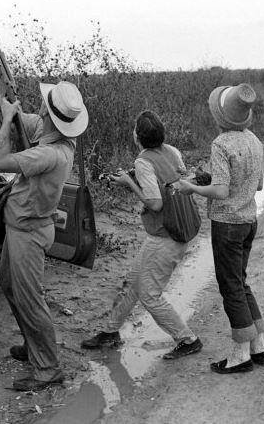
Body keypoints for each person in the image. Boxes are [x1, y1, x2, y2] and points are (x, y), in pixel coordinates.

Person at [0, 53, 88, 390]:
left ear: (48, 111)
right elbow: (17, 110)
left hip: (29, 232)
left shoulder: (49, 153)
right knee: (9, 286)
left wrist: (5, 121)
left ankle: (47, 367)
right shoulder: (50, 134)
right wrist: (2, 76)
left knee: (31, 299)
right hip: (24, 228)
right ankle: (34, 348)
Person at [81, 111, 203, 360]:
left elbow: (155, 204)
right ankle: (110, 331)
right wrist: (140, 176)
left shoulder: (143, 161)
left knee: (148, 295)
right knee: (134, 280)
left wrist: (130, 183)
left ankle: (187, 339)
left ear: (137, 136)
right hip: (178, 228)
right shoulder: (172, 150)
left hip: (165, 235)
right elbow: (176, 177)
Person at [176, 83, 264, 374]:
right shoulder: (253, 140)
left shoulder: (221, 144)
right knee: (240, 282)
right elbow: (258, 184)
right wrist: (214, 179)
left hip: (227, 224)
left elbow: (220, 191)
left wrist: (190, 186)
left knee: (230, 287)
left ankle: (240, 354)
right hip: (248, 221)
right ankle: (259, 346)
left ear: (220, 115)